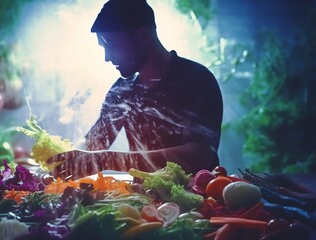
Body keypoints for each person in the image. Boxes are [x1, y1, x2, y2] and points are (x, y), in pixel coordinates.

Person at [47, 0, 223, 180]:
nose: (107, 57)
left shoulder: (196, 79)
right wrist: (68, 156)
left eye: (112, 46)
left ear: (143, 37)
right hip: (143, 200)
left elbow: (199, 155)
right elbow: (93, 142)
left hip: (198, 201)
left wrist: (106, 159)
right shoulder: (122, 90)